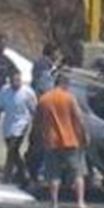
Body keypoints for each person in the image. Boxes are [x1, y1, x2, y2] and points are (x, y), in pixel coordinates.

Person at [37, 74, 90, 208]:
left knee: (54, 175)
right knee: (78, 173)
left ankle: (54, 204)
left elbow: (37, 121)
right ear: (65, 84)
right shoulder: (69, 97)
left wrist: (42, 135)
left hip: (51, 141)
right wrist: (85, 135)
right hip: (71, 140)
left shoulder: (44, 99)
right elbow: (79, 118)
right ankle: (80, 203)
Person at [0, 71, 37, 185]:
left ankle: (7, 176)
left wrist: (36, 127)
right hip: (8, 125)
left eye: (18, 80)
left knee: (12, 149)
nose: (16, 83)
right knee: (13, 152)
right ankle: (24, 174)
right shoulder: (4, 91)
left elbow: (34, 110)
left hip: (22, 124)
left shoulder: (28, 92)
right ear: (10, 80)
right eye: (13, 81)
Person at [25, 43, 60, 184]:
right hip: (43, 108)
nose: (57, 55)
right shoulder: (44, 66)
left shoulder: (43, 64)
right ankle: (36, 170)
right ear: (51, 52)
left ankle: (32, 167)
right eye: (56, 52)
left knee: (37, 139)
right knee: (41, 140)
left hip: (40, 106)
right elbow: (44, 87)